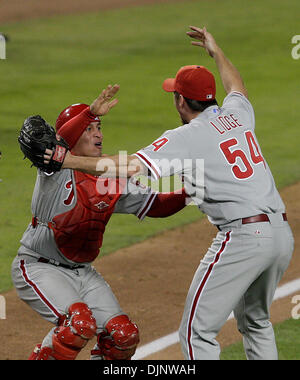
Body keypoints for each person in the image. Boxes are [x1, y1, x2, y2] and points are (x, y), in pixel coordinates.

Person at [56, 26, 294, 360]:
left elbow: (129, 167)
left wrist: (67, 159)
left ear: (181, 100)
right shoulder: (237, 114)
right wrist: (216, 51)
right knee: (256, 322)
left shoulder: (187, 135)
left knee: (197, 333)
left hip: (244, 237)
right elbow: (236, 85)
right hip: (281, 234)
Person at [12, 85, 188, 360]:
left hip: (83, 272)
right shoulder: (55, 169)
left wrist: (192, 191)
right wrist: (90, 111)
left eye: (99, 127)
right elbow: (61, 142)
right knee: (77, 325)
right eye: (90, 128)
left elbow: (157, 205)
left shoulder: (110, 177)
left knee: (123, 337)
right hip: (39, 267)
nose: (99, 134)